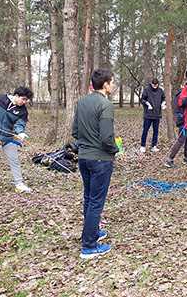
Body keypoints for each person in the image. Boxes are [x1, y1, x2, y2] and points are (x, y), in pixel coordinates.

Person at [72, 69, 119, 259]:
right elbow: (107, 137)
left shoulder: (82, 102)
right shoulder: (105, 104)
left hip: (84, 158)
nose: (113, 85)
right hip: (100, 160)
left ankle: (92, 232)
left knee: (89, 198)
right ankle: (89, 246)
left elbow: (75, 131)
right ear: (105, 84)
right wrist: (114, 150)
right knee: (96, 202)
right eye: (112, 82)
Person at [164, 86, 187, 168]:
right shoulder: (182, 94)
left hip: (184, 118)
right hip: (182, 119)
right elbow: (183, 105)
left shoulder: (180, 92)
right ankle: (170, 160)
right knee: (181, 140)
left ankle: (186, 158)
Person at [140, 78, 166, 153]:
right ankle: (143, 145)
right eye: (153, 85)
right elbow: (142, 99)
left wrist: (163, 103)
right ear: (151, 83)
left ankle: (154, 145)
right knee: (145, 130)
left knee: (156, 131)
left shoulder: (160, 91)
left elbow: (163, 98)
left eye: (156, 85)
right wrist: (146, 103)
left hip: (157, 114)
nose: (155, 86)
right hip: (148, 114)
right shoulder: (147, 90)